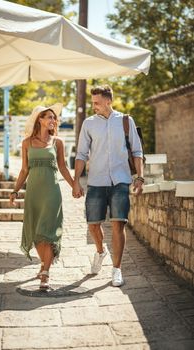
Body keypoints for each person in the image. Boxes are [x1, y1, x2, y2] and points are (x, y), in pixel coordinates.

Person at [73, 85, 144, 287]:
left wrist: (140, 177)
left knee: (118, 223)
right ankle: (100, 251)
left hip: (120, 181)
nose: (93, 105)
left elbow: (137, 152)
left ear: (108, 101)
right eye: (92, 102)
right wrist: (76, 181)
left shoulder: (125, 121)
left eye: (96, 102)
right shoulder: (89, 124)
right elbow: (81, 154)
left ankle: (117, 269)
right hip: (96, 181)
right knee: (93, 224)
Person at [10, 103, 73, 289]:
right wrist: (15, 191)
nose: (53, 120)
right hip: (33, 193)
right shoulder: (27, 143)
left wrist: (74, 186)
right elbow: (24, 170)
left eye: (54, 118)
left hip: (52, 192)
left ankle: (45, 273)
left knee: (50, 231)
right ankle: (44, 264)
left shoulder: (57, 142)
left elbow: (63, 167)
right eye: (49, 117)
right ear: (40, 119)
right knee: (37, 232)